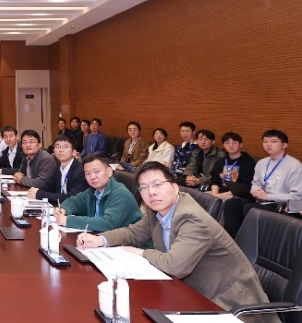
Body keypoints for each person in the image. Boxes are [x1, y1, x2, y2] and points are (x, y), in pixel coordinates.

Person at [77, 162, 272, 316]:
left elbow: (176, 266)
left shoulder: (192, 218)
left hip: (228, 304)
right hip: (188, 292)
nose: (151, 192)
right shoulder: (157, 211)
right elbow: (134, 232)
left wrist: (143, 253)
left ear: (175, 187)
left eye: (157, 185)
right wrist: (100, 239)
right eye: (144, 187)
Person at [53, 154, 142, 230]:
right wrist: (63, 209)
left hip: (130, 243)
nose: (92, 177)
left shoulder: (121, 194)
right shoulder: (92, 191)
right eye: (88, 173)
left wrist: (68, 221)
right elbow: (73, 202)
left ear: (109, 172)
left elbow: (107, 224)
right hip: (102, 238)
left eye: (96, 172)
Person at [250, 129, 302, 203]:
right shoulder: (261, 163)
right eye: (265, 141)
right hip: (261, 201)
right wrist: (255, 192)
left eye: (273, 141)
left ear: (284, 145)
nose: (268, 144)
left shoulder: (295, 166)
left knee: (247, 207)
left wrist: (268, 197)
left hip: (282, 205)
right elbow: (256, 183)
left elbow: (298, 196)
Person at [29, 134, 89, 203]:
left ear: (73, 152)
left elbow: (72, 197)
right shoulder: (58, 168)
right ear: (53, 150)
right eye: (57, 146)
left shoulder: (81, 171)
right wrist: (35, 190)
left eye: (65, 147)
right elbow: (49, 187)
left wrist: (39, 194)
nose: (60, 150)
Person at [210, 132, 256, 200]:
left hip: (237, 196)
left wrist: (219, 196)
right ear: (223, 145)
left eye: (234, 143)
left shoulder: (248, 162)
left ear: (241, 145)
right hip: (219, 193)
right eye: (227, 143)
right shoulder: (220, 162)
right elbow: (215, 180)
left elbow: (246, 186)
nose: (231, 145)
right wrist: (215, 195)